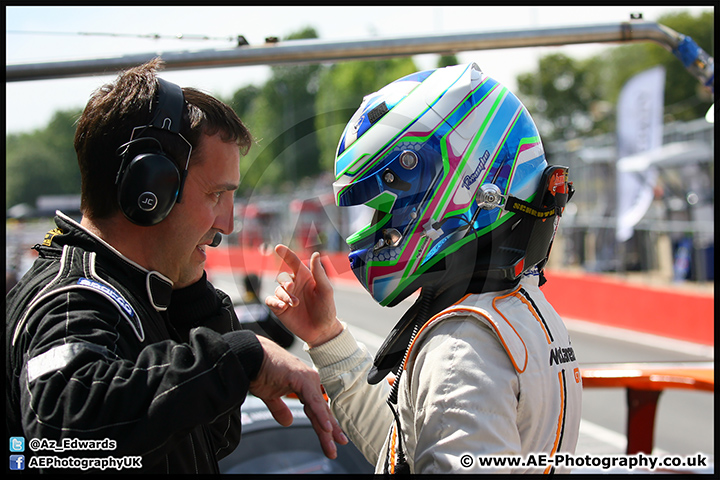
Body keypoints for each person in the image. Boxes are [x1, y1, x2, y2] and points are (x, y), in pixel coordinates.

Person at [5, 58, 346, 474]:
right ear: (149, 189)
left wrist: (196, 305)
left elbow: (211, 440)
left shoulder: (143, 289)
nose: (228, 223)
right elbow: (63, 436)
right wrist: (238, 358)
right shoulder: (73, 296)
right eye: (216, 195)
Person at [266, 63, 582, 474]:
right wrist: (326, 339)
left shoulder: (462, 350)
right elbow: (407, 450)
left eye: (388, 200)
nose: (375, 225)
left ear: (462, 185)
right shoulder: (515, 309)